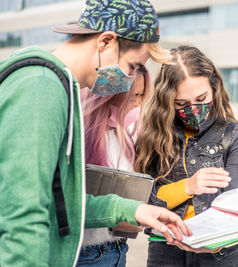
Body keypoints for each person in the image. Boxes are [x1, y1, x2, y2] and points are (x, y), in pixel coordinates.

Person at [0, 0, 191, 266]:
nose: (129, 77)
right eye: (133, 66)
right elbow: (23, 215)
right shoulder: (42, 88)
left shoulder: (53, 84)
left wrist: (133, 209)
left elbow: (61, 205)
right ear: (106, 42)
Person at [134, 45, 238, 267]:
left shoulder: (235, 135)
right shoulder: (154, 136)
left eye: (201, 98)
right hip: (166, 250)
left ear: (214, 88)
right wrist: (188, 187)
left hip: (219, 255)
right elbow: (143, 200)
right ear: (167, 101)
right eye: (182, 104)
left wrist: (211, 242)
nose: (194, 109)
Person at [78, 67, 149, 266]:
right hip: (87, 255)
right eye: (134, 96)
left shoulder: (123, 136)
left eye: (142, 96)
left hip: (118, 249)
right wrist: (119, 215)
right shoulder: (79, 137)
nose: (138, 104)